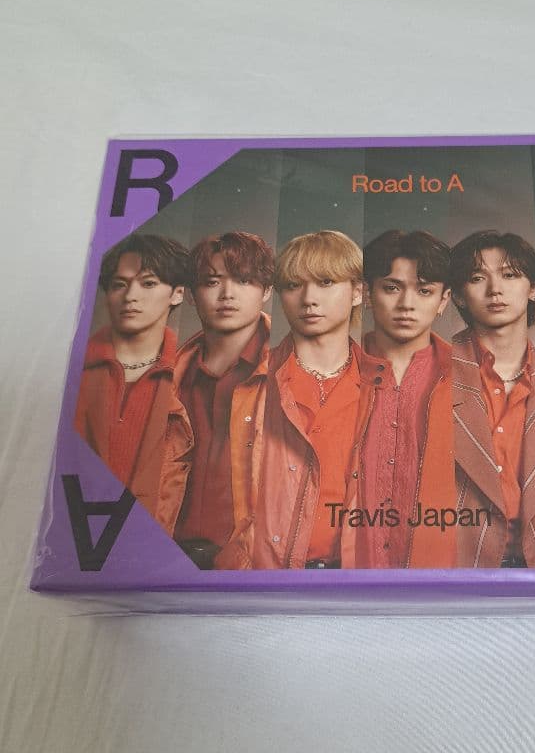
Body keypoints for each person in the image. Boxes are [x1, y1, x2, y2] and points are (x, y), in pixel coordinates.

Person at [246, 230, 366, 570]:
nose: (309, 299)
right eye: (293, 285)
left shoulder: (384, 385)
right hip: (268, 576)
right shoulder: (254, 381)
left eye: (326, 282)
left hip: (357, 579)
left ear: (358, 292)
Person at [450, 231, 535, 568]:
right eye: (477, 278)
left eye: (510, 275)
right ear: (458, 296)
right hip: (459, 566)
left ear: (534, 287)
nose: (495, 289)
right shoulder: (433, 374)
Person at [74, 233, 192, 534]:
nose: (130, 296)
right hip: (75, 534)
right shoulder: (71, 372)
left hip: (146, 544)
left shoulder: (188, 377)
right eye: (119, 284)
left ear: (177, 294)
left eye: (148, 283)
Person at [173, 231, 274, 569]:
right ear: (191, 294)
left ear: (267, 291)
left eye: (243, 280)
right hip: (168, 556)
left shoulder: (290, 372)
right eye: (212, 281)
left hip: (250, 562)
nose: (227, 294)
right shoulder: (169, 376)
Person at [355, 229, 455, 568]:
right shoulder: (337, 369)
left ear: (443, 300)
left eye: (424, 291)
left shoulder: (466, 378)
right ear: (367, 293)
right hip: (350, 576)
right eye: (391, 288)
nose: (406, 305)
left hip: (438, 578)